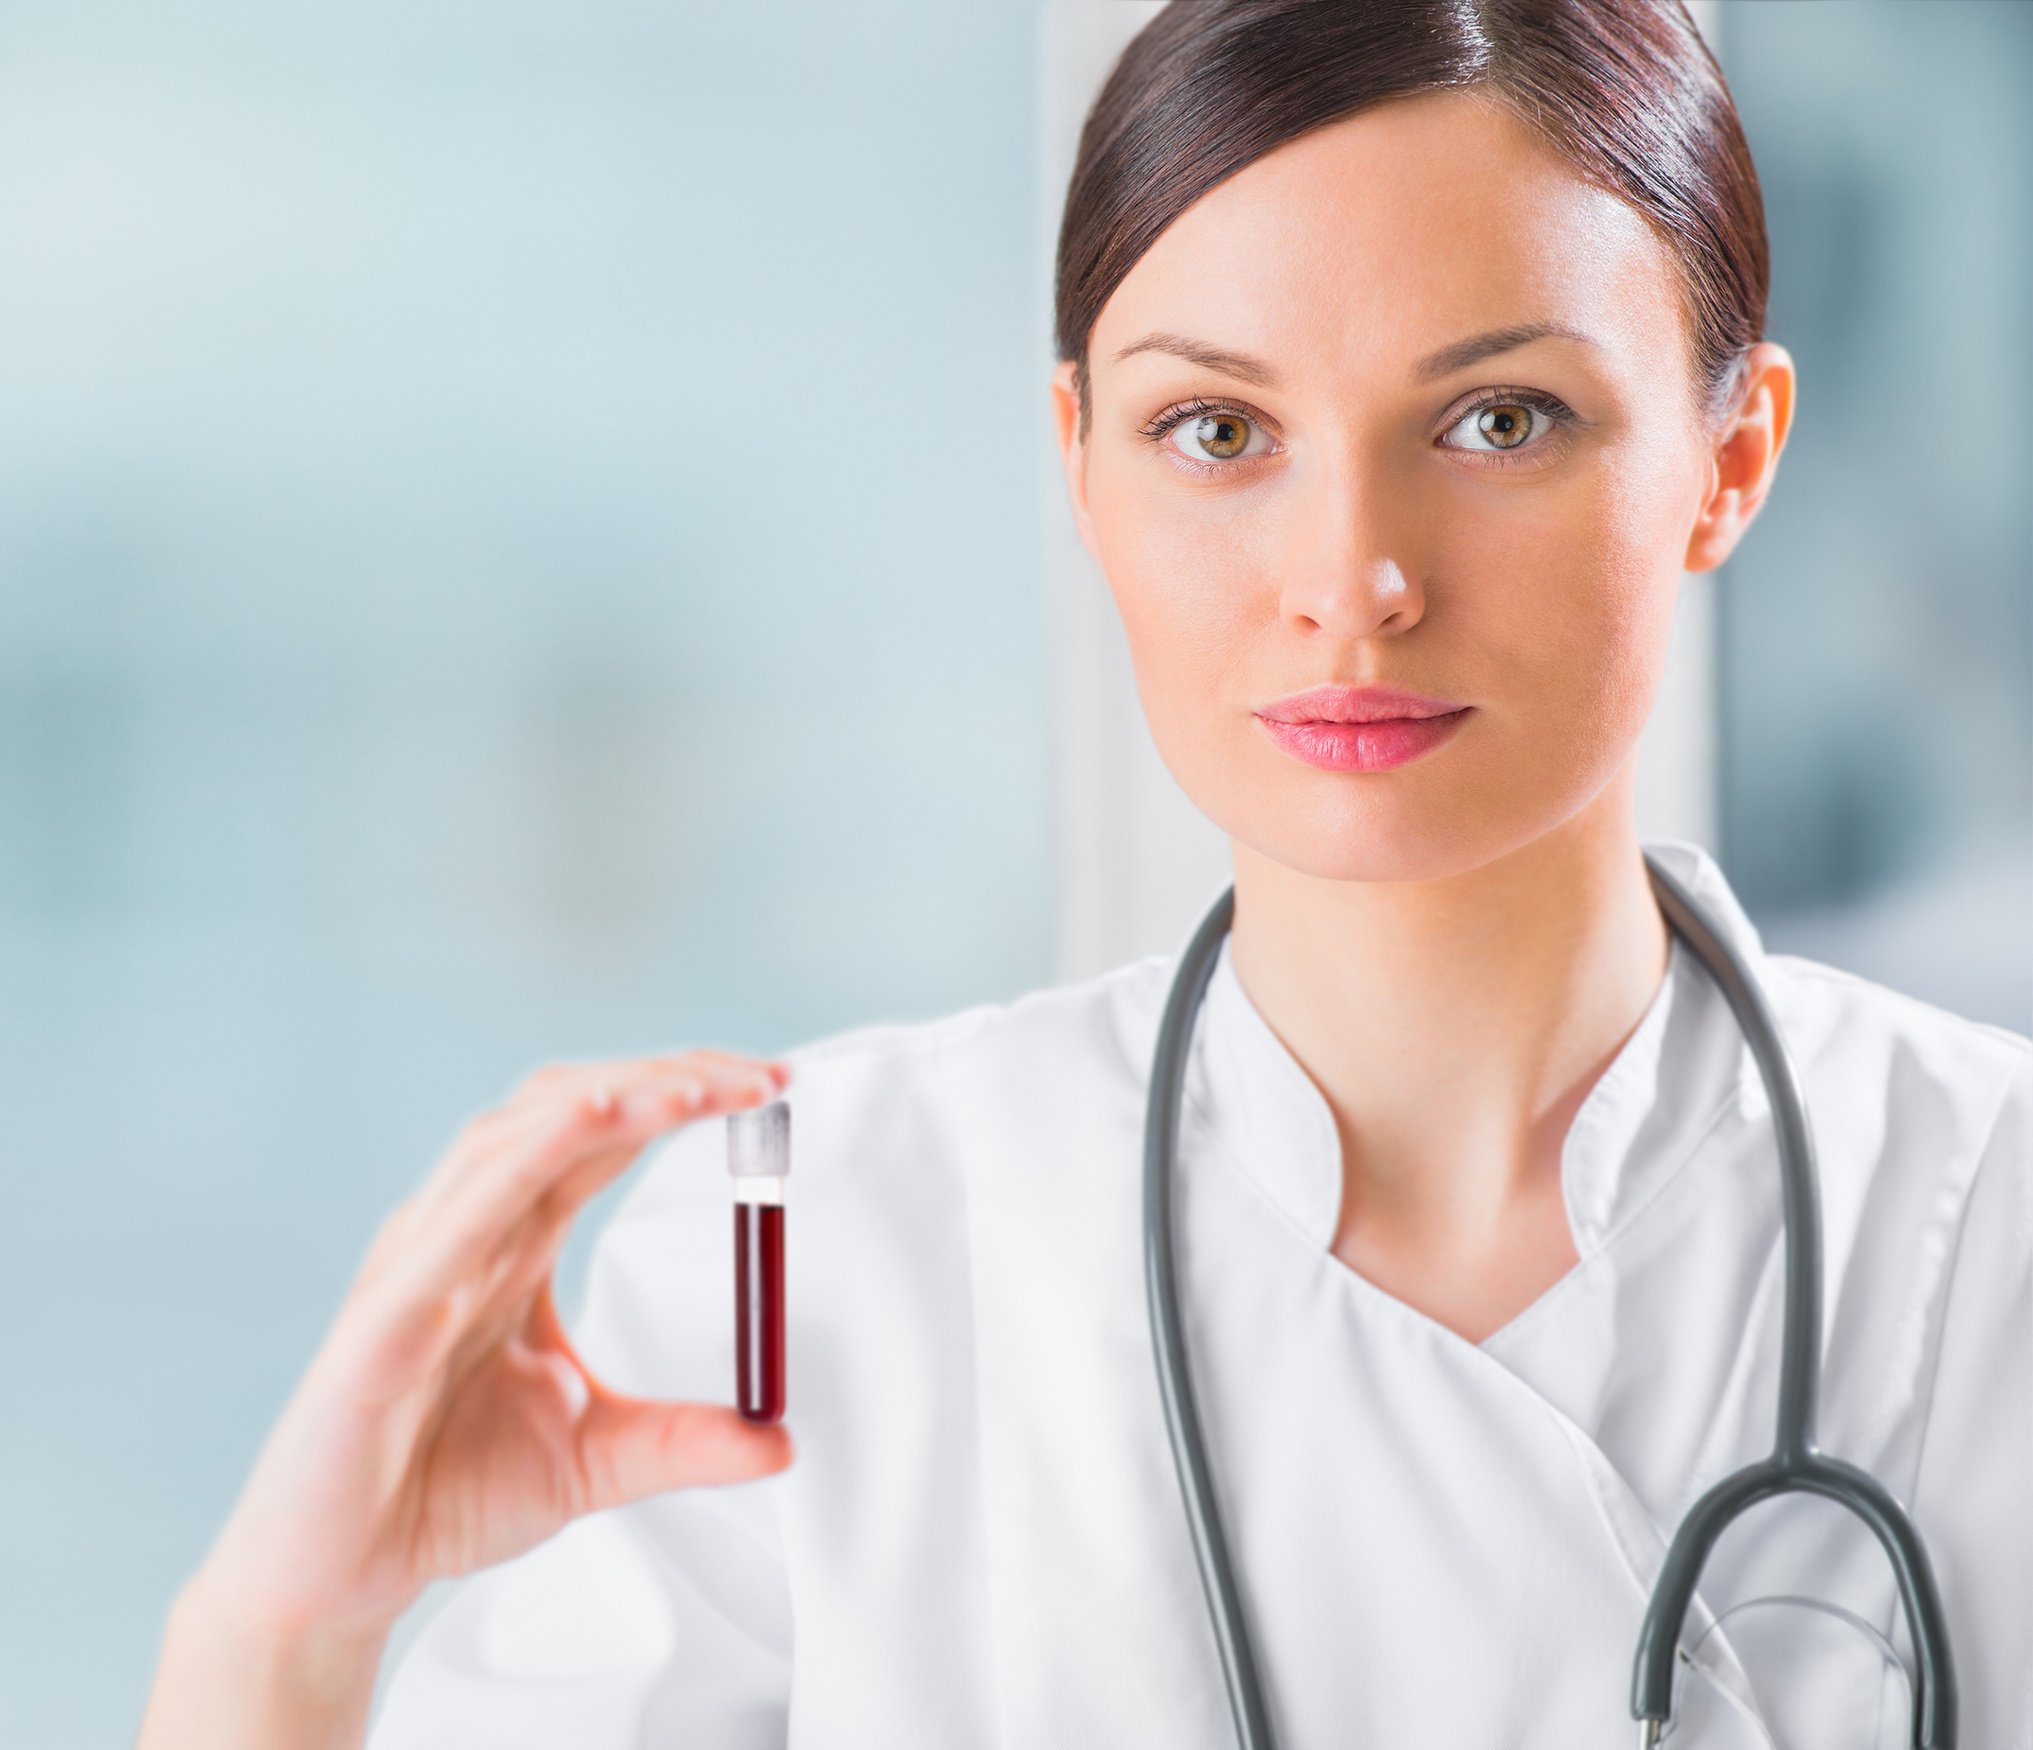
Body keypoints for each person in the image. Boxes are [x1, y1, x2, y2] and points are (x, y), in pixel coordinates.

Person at [136, 2, 2032, 1746]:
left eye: (1498, 420)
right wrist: (277, 1632)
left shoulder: (1988, 1220)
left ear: (1730, 456)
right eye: (1217, 432)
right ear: (1080, 466)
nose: (1350, 574)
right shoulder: (809, 1255)